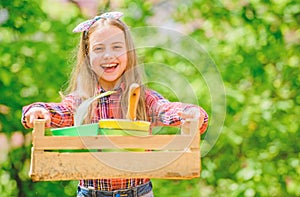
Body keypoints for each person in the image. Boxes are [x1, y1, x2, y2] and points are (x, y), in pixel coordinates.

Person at [21, 11, 209, 197]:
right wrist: (38, 110)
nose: (108, 55)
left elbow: (166, 109)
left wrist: (190, 113)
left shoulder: (141, 99)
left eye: (117, 47)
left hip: (138, 193)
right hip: (91, 193)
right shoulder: (82, 101)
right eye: (99, 49)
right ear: (87, 55)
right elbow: (60, 112)